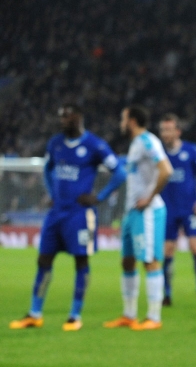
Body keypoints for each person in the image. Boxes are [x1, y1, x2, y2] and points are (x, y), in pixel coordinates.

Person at [9, 104, 126, 331]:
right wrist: (52, 193)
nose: (64, 121)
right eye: (61, 117)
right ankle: (34, 313)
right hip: (56, 213)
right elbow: (47, 169)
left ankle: (75, 315)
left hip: (80, 214)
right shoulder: (55, 143)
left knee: (81, 261)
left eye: (68, 116)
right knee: (43, 259)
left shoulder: (95, 145)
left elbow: (119, 173)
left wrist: (99, 197)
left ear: (79, 117)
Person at [103, 105, 174, 331]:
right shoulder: (135, 144)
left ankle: (154, 317)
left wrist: (149, 197)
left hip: (148, 211)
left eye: (123, 119)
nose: (121, 124)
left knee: (150, 260)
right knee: (127, 261)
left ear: (132, 121)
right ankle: (129, 315)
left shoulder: (148, 141)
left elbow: (166, 170)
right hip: (132, 212)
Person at [158, 113, 196, 307]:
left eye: (169, 130)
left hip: (189, 209)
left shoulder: (191, 150)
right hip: (167, 210)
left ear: (178, 131)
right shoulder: (158, 154)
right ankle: (167, 294)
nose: (165, 133)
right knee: (167, 252)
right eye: (163, 130)